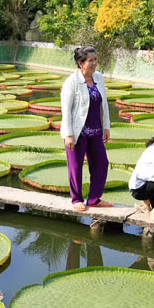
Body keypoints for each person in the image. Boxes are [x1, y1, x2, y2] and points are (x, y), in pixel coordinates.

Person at [59, 46, 113, 211]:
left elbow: (104, 104)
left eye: (95, 59)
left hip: (96, 131)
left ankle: (94, 199)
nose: (95, 63)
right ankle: (76, 199)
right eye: (91, 60)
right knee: (75, 167)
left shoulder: (98, 77)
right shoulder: (72, 82)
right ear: (80, 63)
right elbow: (66, 110)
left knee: (101, 163)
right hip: (77, 132)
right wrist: (68, 134)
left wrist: (106, 126)